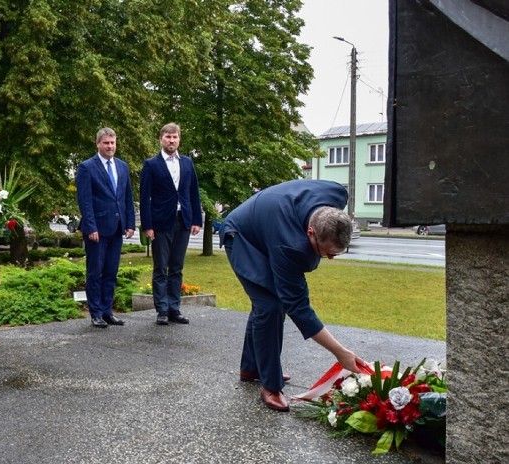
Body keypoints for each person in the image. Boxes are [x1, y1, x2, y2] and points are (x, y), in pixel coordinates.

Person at [221, 179, 368, 412]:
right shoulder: (290, 246)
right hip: (242, 236)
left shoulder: (337, 193)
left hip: (267, 224)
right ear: (310, 232)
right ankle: (270, 386)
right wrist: (340, 352)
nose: (329, 259)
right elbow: (299, 307)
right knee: (269, 305)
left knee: (267, 305)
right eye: (327, 253)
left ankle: (252, 367)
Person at [139, 123, 203, 325]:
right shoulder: (151, 164)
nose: (172, 140)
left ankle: (175, 308)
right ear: (161, 139)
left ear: (179, 139)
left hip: (183, 221)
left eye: (175, 137)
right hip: (160, 223)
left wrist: (196, 220)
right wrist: (147, 225)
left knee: (177, 267)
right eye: (168, 137)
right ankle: (162, 310)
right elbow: (144, 197)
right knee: (161, 268)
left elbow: (193, 192)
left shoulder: (186, 163)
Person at [75, 127, 136, 328]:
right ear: (98, 144)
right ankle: (96, 313)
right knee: (95, 272)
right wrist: (91, 227)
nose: (110, 146)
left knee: (111, 271)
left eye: (112, 143)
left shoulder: (122, 166)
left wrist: (130, 223)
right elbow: (85, 200)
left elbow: (127, 197)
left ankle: (108, 311)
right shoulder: (86, 167)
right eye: (106, 143)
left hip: (117, 228)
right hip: (97, 231)